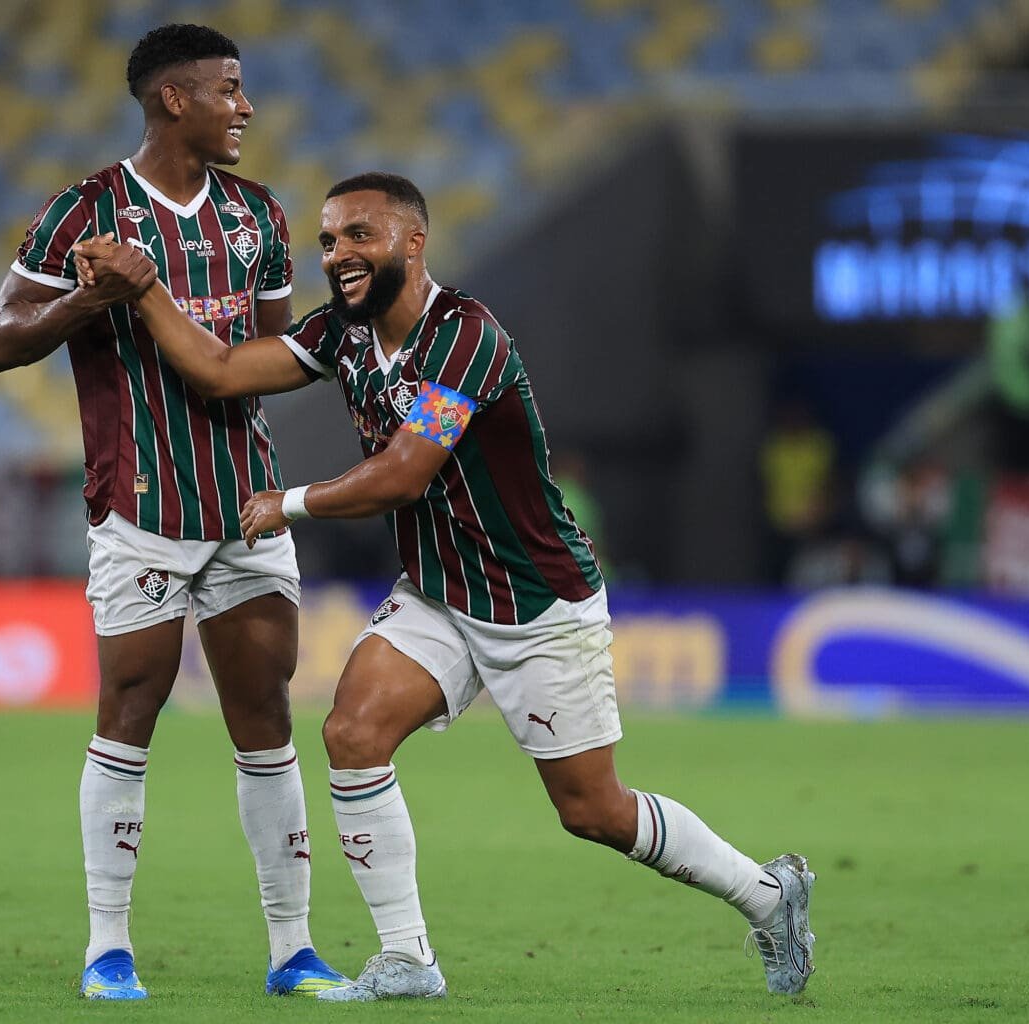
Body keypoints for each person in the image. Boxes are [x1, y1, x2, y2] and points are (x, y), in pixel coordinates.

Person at [72, 171, 817, 1001]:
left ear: (412, 242)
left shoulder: (467, 338)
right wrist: (143, 289)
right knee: (352, 733)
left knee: (592, 810)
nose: (338, 254)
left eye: (360, 235)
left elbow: (401, 475)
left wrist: (288, 502)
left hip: (535, 602)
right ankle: (407, 958)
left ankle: (768, 895)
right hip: (438, 593)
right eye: (327, 240)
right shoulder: (345, 337)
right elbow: (218, 369)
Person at [0, 24, 345, 1001]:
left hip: (245, 507)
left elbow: (269, 357)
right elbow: (0, 340)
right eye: (230, 89)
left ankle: (293, 949)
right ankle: (108, 949)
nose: (247, 108)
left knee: (265, 713)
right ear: (172, 99)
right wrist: (89, 302)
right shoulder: (84, 212)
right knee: (129, 711)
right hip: (138, 507)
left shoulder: (258, 216)